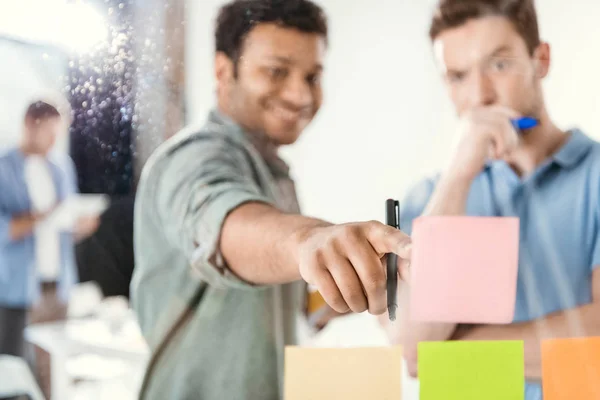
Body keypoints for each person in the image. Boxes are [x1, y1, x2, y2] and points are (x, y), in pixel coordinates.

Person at [131, 1, 412, 399]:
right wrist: (311, 242)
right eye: (276, 71)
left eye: (312, 76)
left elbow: (293, 309)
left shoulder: (276, 176)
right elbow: (225, 226)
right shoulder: (192, 158)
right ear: (222, 71)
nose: (300, 94)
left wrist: (353, 276)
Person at [382, 0, 600, 399]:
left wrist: (456, 348)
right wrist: (458, 177)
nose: (480, 95)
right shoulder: (431, 198)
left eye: (498, 65)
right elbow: (412, 350)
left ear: (541, 60)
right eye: (457, 76)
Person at [0, 100, 99, 398]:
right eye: (49, 132)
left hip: (58, 282)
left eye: (59, 132)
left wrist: (79, 224)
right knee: (15, 368)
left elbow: (64, 224)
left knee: (53, 366)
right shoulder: (4, 168)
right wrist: (42, 215)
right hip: (18, 287)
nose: (55, 140)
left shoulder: (61, 167)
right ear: (30, 124)